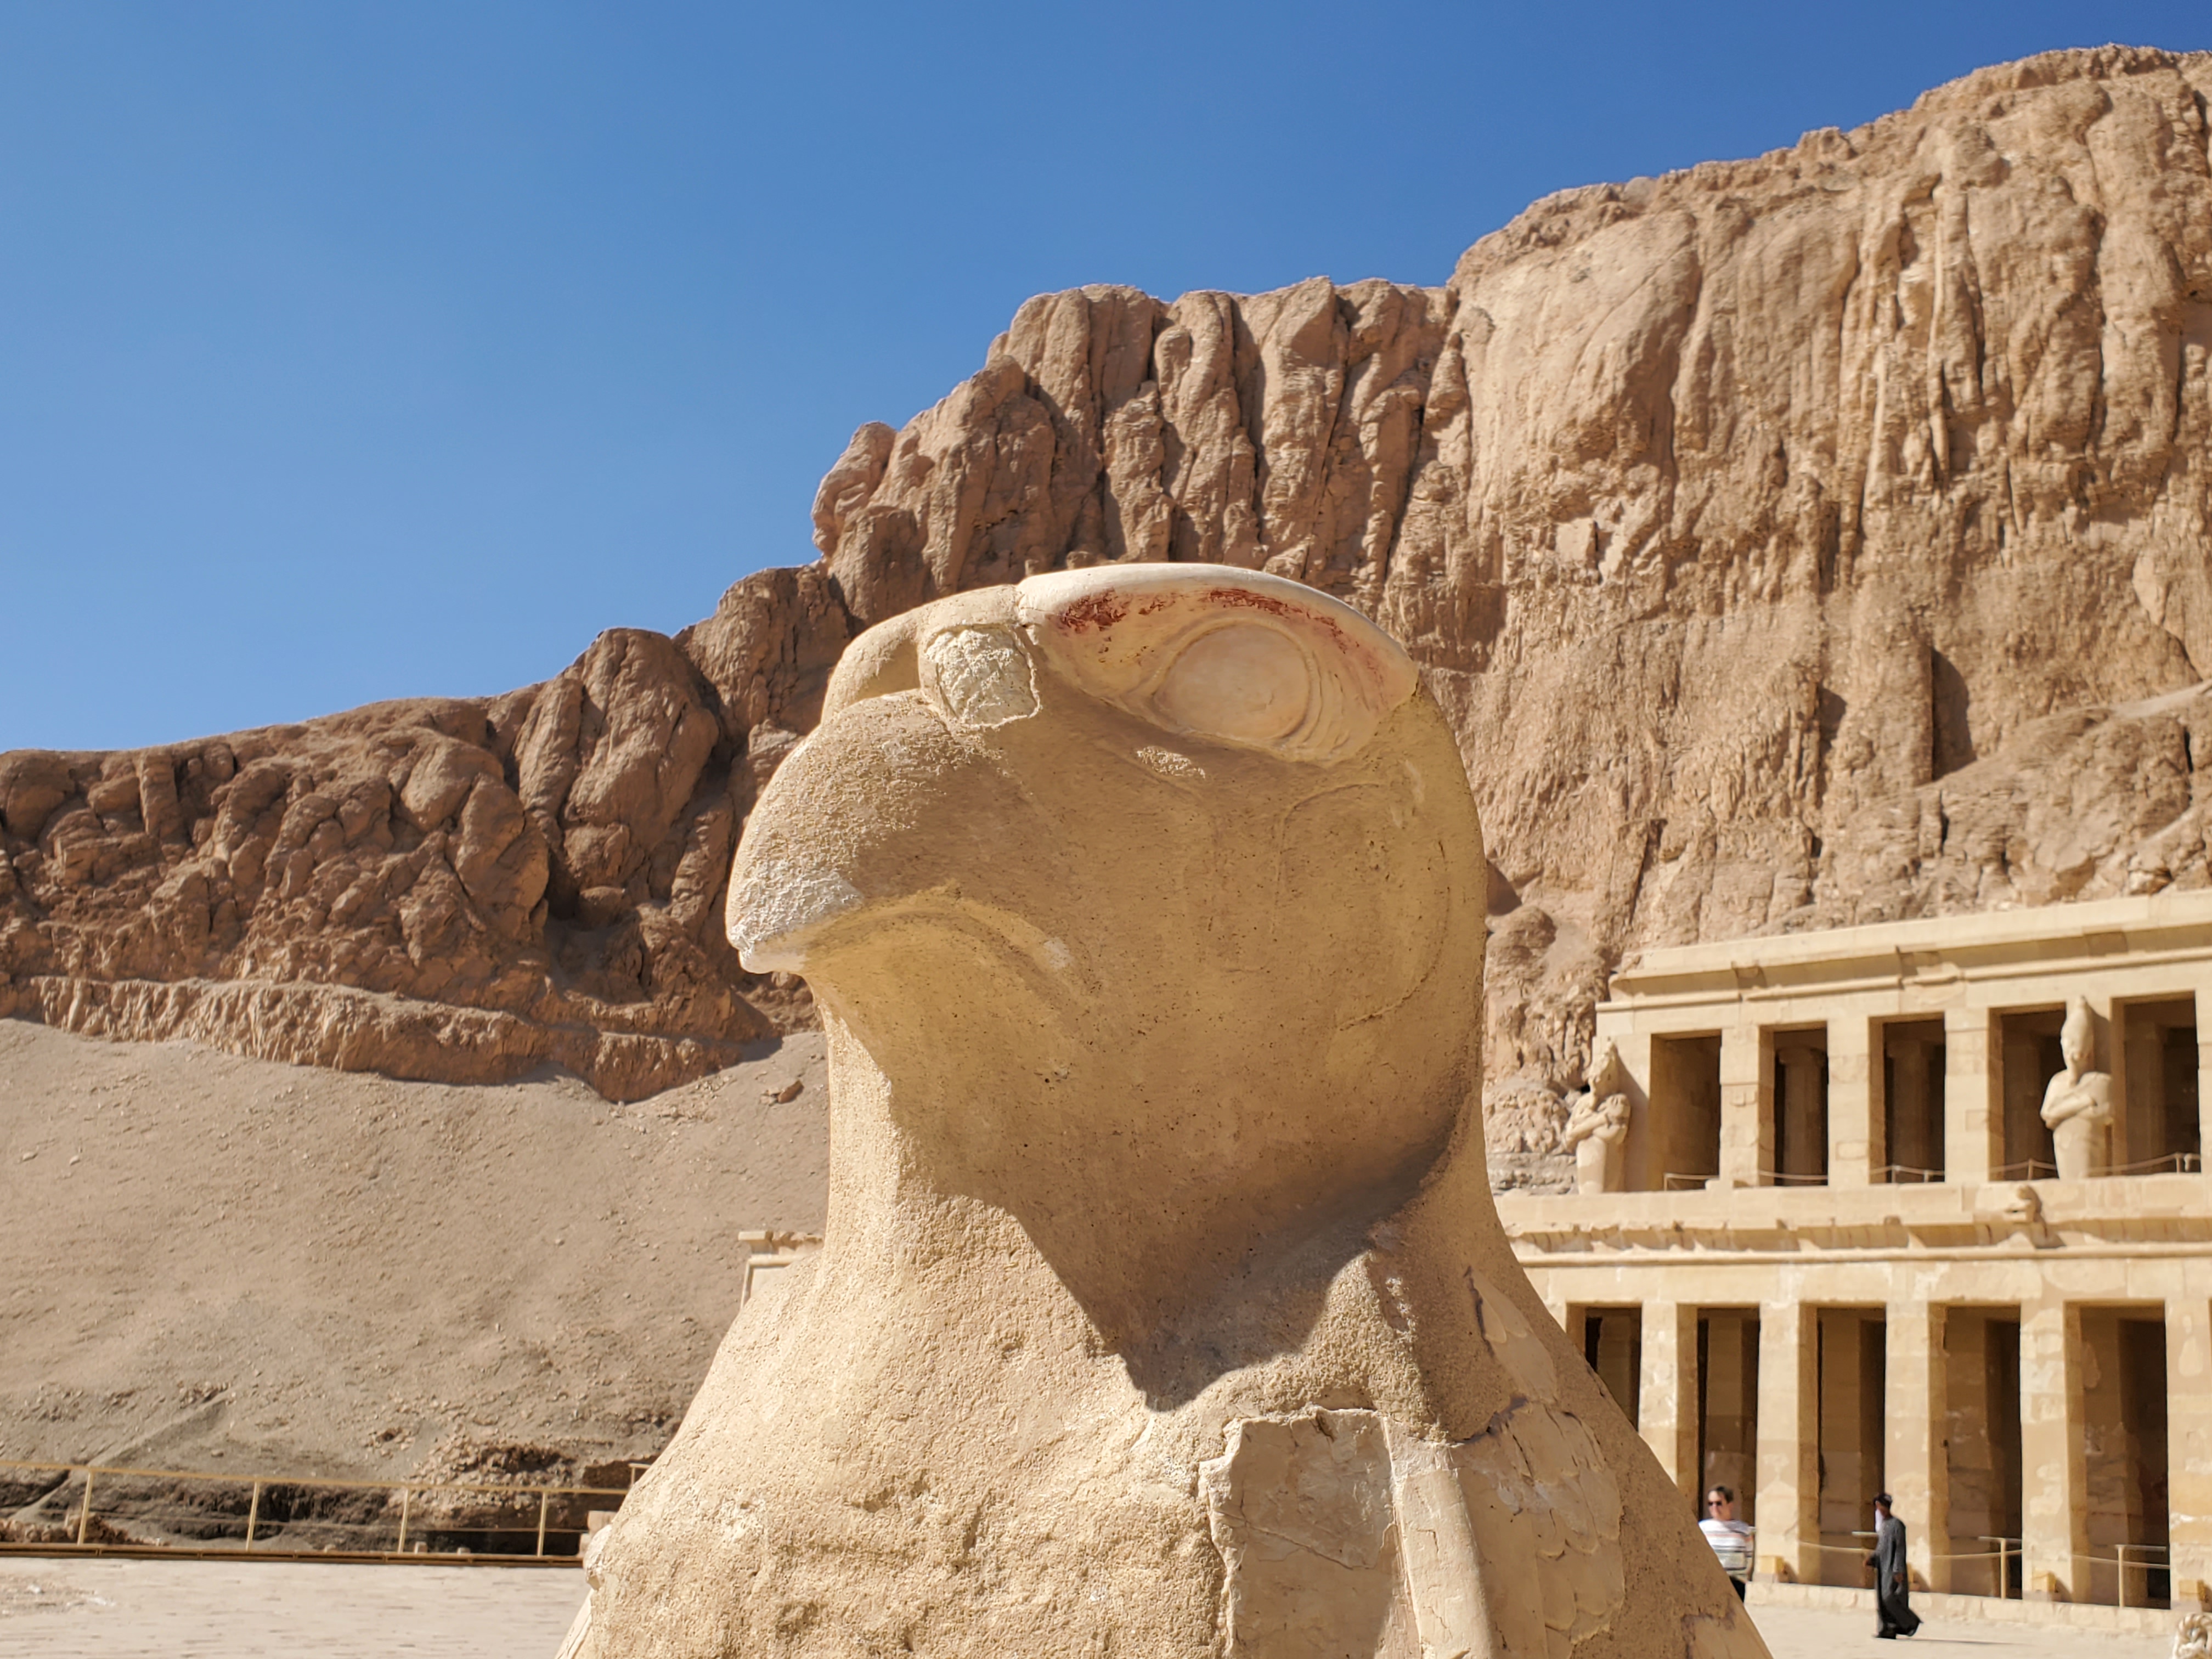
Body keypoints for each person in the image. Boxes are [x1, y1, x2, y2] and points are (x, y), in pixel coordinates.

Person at [1867, 1493, 1921, 1638]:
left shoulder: (1897, 1525)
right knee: (1881, 1599)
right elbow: (1881, 1547)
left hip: (1892, 1568)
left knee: (1889, 1597)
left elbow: (1900, 1549)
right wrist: (1872, 1559)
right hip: (1882, 1566)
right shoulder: (1884, 1525)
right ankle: (1888, 1629)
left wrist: (1898, 1571)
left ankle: (1910, 1622)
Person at [1699, 1486, 1752, 1600]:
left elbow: (1749, 1556)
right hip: (1710, 1582)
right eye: (1711, 1504)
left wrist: (1740, 1577)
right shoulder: (1702, 1528)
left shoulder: (1743, 1529)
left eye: (1719, 1503)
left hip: (1735, 1584)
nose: (1714, 1507)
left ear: (1730, 1505)